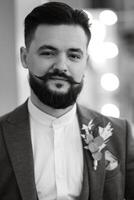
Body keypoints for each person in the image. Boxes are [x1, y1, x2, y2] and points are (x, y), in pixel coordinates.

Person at [0, 2, 134, 200]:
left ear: (85, 63)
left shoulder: (119, 134)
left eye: (73, 55)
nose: (61, 66)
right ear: (24, 57)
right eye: (48, 53)